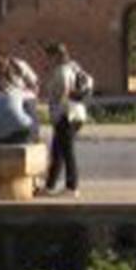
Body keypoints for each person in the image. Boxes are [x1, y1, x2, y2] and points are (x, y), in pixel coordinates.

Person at [41, 41, 95, 196]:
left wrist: (57, 111)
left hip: (66, 115)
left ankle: (72, 187)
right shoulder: (75, 66)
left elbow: (64, 91)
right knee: (57, 151)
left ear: (56, 56)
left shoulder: (62, 70)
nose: (47, 60)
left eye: (49, 56)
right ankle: (50, 186)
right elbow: (89, 83)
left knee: (67, 152)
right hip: (77, 113)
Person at [0, 67, 38, 145]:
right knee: (29, 104)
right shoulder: (17, 91)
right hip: (24, 131)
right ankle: (35, 136)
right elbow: (32, 95)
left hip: (5, 135)